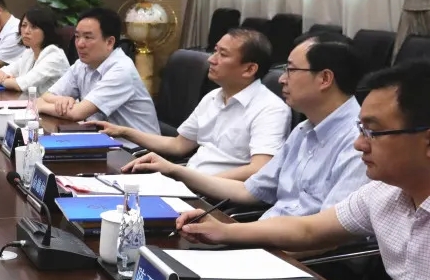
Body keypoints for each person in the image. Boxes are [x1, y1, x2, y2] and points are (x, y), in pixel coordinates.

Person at [175, 60, 430, 280]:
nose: (359, 144)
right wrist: (225, 231)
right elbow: (308, 229)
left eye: (373, 132)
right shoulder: (383, 193)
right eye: (361, 129)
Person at [126, 32, 369, 219]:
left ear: (325, 79)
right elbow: (249, 191)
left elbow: (327, 234)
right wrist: (175, 172)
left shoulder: (359, 142)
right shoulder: (304, 130)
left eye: (291, 70)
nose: (282, 79)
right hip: (263, 236)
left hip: (296, 256)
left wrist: (233, 235)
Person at [90, 29, 290, 180]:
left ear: (249, 69)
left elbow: (258, 169)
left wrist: (193, 179)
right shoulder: (213, 97)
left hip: (217, 197)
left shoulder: (270, 109)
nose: (211, 59)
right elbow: (178, 145)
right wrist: (123, 131)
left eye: (223, 54)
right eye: (215, 51)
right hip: (188, 182)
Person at [37, 7, 159, 134]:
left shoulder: (121, 70)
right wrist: (59, 100)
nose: (79, 44)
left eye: (88, 37)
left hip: (133, 145)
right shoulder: (81, 65)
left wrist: (41, 106)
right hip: (102, 139)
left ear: (109, 42)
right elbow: (46, 96)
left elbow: (77, 113)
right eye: (77, 36)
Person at [0, 6, 70, 94]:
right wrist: (9, 80)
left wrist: (4, 80)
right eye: (24, 25)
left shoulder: (55, 57)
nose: (26, 31)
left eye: (34, 27)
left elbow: (22, 84)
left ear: (47, 31)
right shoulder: (30, 52)